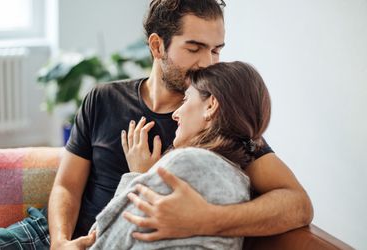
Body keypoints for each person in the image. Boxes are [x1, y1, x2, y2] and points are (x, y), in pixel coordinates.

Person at [0, 0, 313, 249]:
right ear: (157, 45)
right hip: (49, 234)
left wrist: (203, 219)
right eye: (194, 48)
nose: (207, 63)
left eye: (216, 50)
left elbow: (297, 205)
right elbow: (67, 187)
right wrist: (60, 242)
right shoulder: (103, 99)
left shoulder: (216, 121)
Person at [87, 61, 270, 250]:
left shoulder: (187, 161)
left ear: (211, 106)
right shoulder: (240, 183)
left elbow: (103, 240)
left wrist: (137, 177)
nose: (175, 114)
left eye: (185, 100)